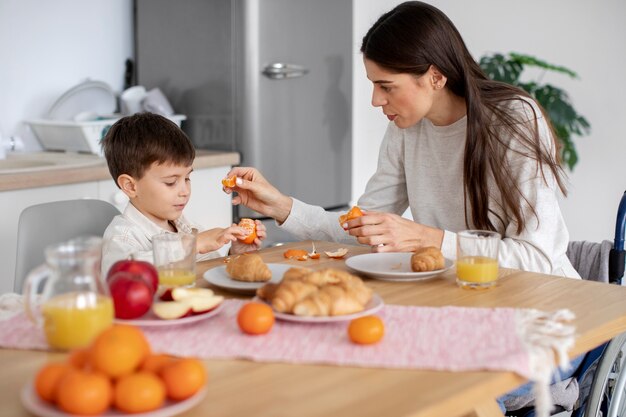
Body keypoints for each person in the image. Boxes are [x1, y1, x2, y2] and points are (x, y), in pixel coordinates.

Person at [223, 1, 581, 413]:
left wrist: (428, 238)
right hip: (465, 312)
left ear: (435, 76)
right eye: (373, 85)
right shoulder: (406, 130)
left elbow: (534, 259)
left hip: (547, 323)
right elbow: (361, 227)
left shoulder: (514, 119)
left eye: (386, 85)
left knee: (424, 389)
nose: (376, 100)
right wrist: (282, 205)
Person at [100, 112, 265, 276]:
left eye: (187, 178)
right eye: (171, 182)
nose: (185, 191)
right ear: (130, 186)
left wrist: (236, 254)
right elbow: (124, 274)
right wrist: (192, 246)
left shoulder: (188, 228)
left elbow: (211, 274)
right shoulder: (123, 236)